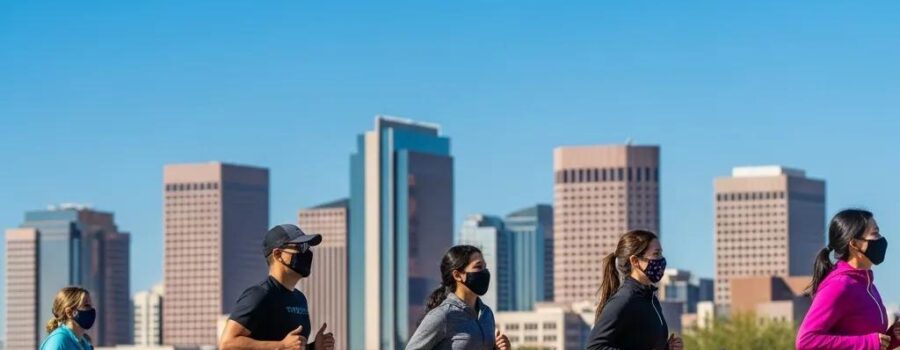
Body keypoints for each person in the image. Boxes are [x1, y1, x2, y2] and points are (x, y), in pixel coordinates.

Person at [220, 224, 336, 350]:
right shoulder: (259, 295)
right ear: (277, 254)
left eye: (308, 247)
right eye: (300, 247)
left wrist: (313, 347)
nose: (307, 253)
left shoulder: (300, 299)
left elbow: (292, 347)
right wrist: (281, 346)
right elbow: (227, 344)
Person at [797, 209, 900, 350]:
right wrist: (869, 342)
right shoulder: (839, 285)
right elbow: (806, 341)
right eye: (875, 234)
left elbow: (870, 343)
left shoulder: (867, 285)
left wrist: (893, 337)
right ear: (854, 244)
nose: (880, 239)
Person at [586, 230, 683, 350]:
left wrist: (667, 347)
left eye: (661, 254)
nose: (662, 259)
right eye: (656, 254)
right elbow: (594, 347)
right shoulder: (623, 300)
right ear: (635, 261)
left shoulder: (651, 300)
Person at [406, 245, 512, 350]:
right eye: (478, 267)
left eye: (485, 267)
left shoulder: (487, 314)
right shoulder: (443, 315)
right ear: (457, 275)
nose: (484, 272)